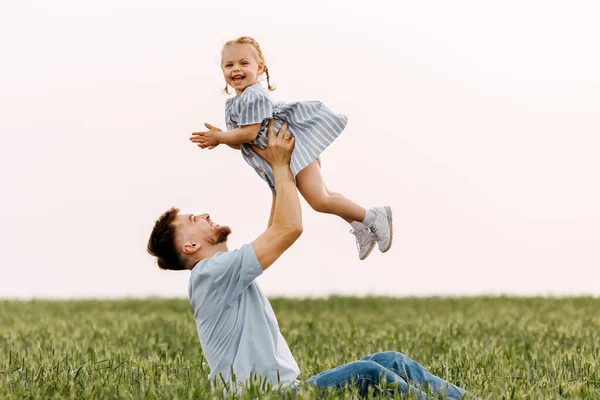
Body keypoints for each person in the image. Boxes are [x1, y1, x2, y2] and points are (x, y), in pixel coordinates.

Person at [148, 121, 474, 398]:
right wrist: (278, 164)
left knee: (390, 361)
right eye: (194, 219)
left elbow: (277, 227)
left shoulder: (220, 272)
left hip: (289, 391)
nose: (204, 215)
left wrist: (283, 170)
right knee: (369, 373)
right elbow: (289, 228)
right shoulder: (210, 274)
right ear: (189, 246)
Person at [189, 36, 391, 261]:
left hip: (293, 151)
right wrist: (225, 138)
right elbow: (242, 143)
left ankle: (373, 217)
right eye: (229, 65)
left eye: (243, 63)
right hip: (278, 162)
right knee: (315, 200)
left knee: (319, 200)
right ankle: (361, 222)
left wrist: (220, 137)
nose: (236, 69)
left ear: (260, 67)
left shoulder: (254, 95)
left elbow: (250, 133)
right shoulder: (233, 105)